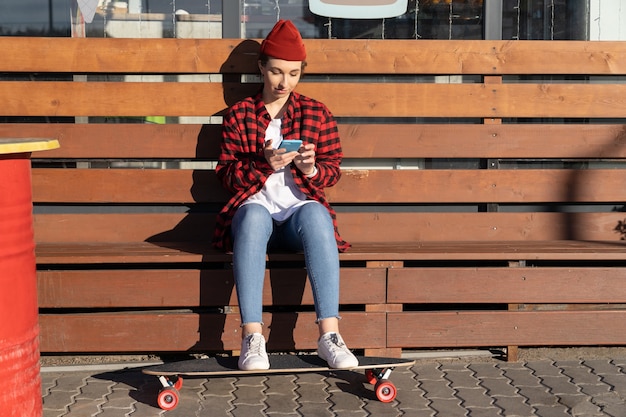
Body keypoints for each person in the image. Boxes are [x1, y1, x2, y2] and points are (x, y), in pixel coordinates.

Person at [213, 19, 358, 371]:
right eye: (276, 72)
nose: (284, 82)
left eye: (293, 74)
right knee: (251, 215)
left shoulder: (316, 113)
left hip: (297, 217)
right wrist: (262, 164)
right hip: (256, 213)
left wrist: (310, 169)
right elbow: (227, 176)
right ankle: (252, 337)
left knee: (317, 213)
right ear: (261, 68)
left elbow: (332, 170)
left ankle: (330, 335)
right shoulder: (239, 115)